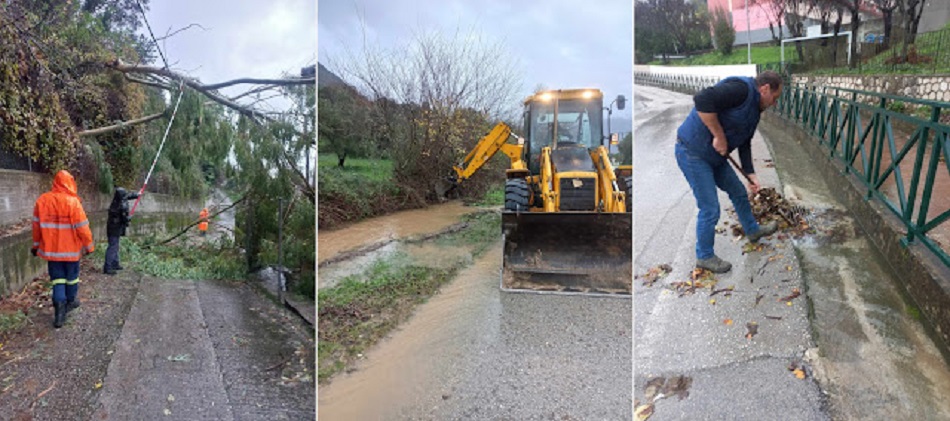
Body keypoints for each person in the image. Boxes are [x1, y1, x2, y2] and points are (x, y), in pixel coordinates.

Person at [675, 71, 784, 274]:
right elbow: (702, 99)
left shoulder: (755, 109)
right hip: (693, 153)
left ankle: (752, 230)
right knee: (710, 208)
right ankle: (705, 256)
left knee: (739, 192)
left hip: (716, 157)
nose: (774, 103)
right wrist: (719, 136)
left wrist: (750, 174)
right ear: (765, 89)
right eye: (775, 98)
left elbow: (745, 142)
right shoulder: (739, 90)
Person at [31, 170, 95, 328]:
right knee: (72, 278)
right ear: (70, 183)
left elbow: (36, 228)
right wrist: (89, 246)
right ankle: (70, 301)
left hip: (52, 253)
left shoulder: (42, 201)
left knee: (57, 280)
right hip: (71, 252)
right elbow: (83, 229)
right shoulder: (73, 203)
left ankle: (59, 314)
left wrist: (36, 246)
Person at [104, 187, 139, 275]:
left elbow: (127, 196)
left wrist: (137, 195)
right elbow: (124, 219)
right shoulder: (120, 206)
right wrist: (128, 218)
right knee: (113, 246)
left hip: (114, 228)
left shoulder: (117, 200)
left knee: (115, 245)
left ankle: (115, 263)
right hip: (114, 228)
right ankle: (107, 267)